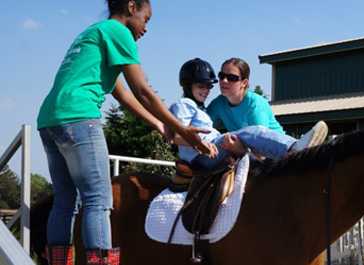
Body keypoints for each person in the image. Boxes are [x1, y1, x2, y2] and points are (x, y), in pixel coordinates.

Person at [36, 1, 214, 265]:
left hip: (50, 119)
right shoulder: (118, 32)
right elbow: (142, 90)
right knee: (98, 199)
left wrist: (161, 126)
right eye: (146, 19)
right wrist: (182, 129)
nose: (145, 28)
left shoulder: (95, 32)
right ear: (132, 6)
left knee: (65, 200)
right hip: (79, 117)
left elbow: (123, 95)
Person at [170, 58, 327, 169]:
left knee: (255, 131)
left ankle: (294, 148)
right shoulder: (193, 105)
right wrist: (200, 143)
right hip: (210, 152)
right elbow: (177, 134)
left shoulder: (256, 105)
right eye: (221, 76)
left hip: (268, 153)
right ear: (187, 85)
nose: (224, 81)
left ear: (244, 83)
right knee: (252, 132)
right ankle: (295, 148)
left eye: (231, 78)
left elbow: (260, 151)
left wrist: (239, 149)